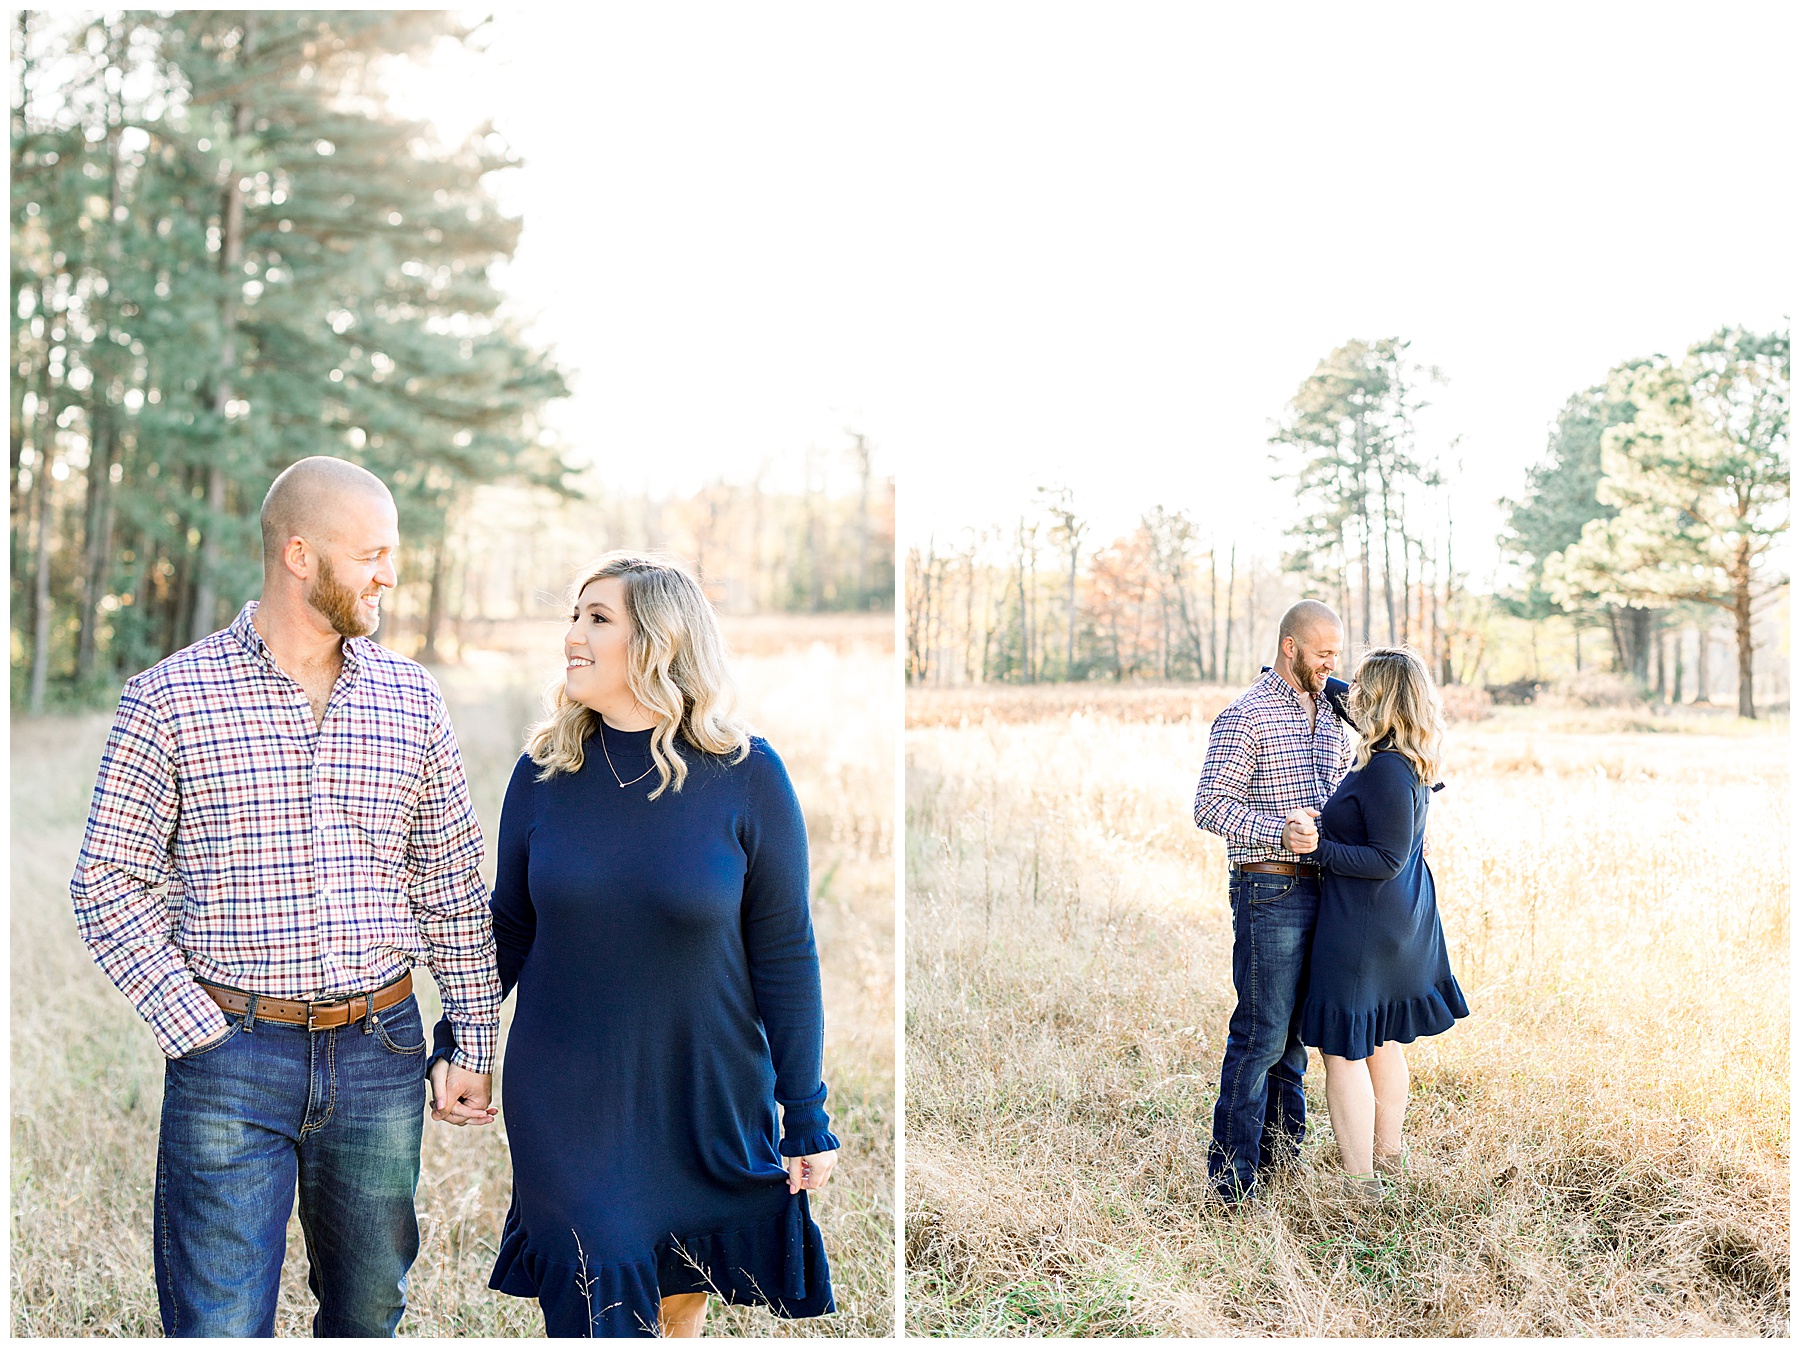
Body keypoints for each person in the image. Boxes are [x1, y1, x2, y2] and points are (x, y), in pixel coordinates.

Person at [69, 455, 501, 1336]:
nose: (390, 574)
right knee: (218, 1321)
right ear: (299, 555)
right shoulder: (168, 697)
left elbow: (454, 885)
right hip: (231, 1058)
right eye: (371, 553)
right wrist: (196, 1028)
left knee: (368, 1313)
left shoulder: (412, 699)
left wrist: (475, 1038)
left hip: (381, 1052)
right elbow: (104, 880)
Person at [426, 551, 840, 1338]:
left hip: (704, 1091)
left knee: (677, 1302)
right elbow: (506, 927)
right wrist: (459, 1040)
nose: (573, 636)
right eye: (574, 617)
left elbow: (785, 953)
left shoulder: (747, 775)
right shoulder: (544, 771)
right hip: (567, 1095)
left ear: (659, 641)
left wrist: (805, 1113)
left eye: (598, 618)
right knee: (598, 1299)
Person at [1289, 646, 1469, 1203]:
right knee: (1381, 1039)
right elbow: (1348, 697)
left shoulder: (1386, 770)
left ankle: (1362, 1181)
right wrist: (1319, 674)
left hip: (1367, 924)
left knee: (1343, 1049)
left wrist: (1319, 848)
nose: (1352, 693)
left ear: (1383, 698)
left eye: (1365, 686)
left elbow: (1385, 858)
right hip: (1400, 919)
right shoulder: (1403, 755)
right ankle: (1389, 1159)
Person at [1193, 600, 1350, 1206]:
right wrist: (1276, 830)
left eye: (1337, 652)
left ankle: (1283, 1160)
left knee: (1295, 1038)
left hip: (1326, 889)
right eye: (1322, 653)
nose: (1331, 664)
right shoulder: (1246, 717)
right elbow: (1211, 807)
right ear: (1290, 647)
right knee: (1260, 1035)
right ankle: (1232, 1182)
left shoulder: (1333, 711)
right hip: (1270, 890)